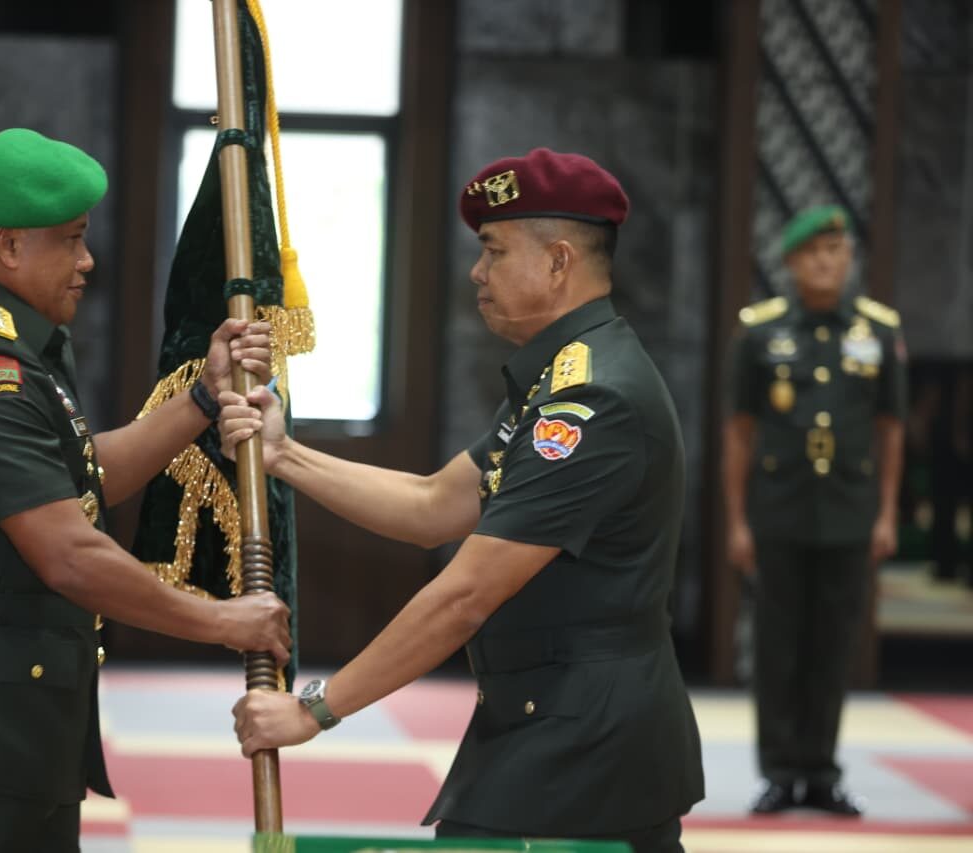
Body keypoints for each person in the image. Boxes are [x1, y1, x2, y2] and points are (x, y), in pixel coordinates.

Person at [226, 148, 703, 852]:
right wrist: (283, 455)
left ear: (559, 262)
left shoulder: (590, 397)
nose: (477, 272)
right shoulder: (561, 379)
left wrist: (313, 710)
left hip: (582, 750)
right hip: (557, 726)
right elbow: (432, 506)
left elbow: (465, 594)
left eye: (494, 250)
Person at [0, 128, 291, 852]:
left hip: (8, 713)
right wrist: (223, 620)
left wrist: (203, 402)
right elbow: (69, 553)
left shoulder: (3, 342)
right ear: (8, 247)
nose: (87, 262)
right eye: (72, 240)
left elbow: (83, 477)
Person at [722, 205, 907, 816]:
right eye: (816, 253)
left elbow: (890, 431)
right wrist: (737, 520)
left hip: (850, 512)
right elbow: (740, 432)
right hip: (779, 511)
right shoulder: (760, 331)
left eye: (839, 252)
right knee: (778, 645)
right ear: (793, 262)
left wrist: (886, 514)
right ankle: (778, 772)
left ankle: (822, 771)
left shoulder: (878, 332)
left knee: (834, 646)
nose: (829, 262)